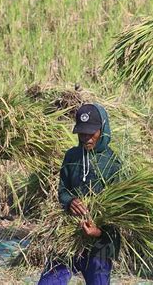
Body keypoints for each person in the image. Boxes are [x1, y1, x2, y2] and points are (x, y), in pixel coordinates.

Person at [38, 103, 121, 285]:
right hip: (70, 236)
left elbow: (120, 213)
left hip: (100, 244)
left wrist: (99, 232)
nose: (86, 139)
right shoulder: (72, 156)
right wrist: (69, 202)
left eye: (91, 133)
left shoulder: (114, 164)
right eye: (82, 133)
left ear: (103, 130)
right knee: (48, 282)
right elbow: (63, 190)